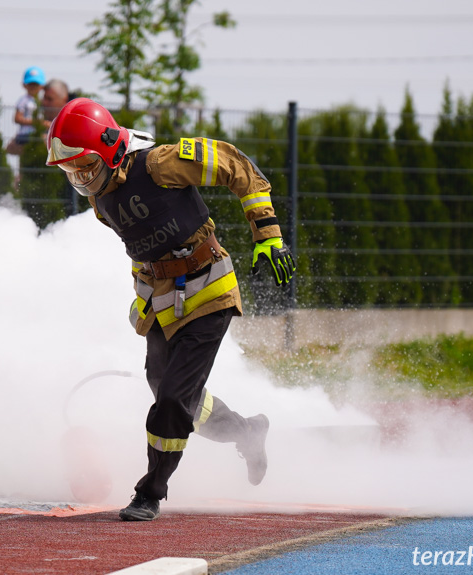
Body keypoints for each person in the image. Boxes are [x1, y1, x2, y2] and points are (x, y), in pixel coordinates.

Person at [46, 98, 295, 521]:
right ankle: (248, 432)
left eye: (85, 166)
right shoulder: (100, 196)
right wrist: (142, 297)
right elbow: (143, 247)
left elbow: (236, 165)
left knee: (173, 401)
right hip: (163, 300)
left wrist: (268, 235)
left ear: (108, 149)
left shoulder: (159, 163)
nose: (80, 178)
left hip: (209, 288)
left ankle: (150, 492)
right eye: (71, 171)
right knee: (169, 390)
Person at [7, 66, 45, 156]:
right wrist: (36, 123)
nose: (33, 87)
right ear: (24, 85)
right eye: (30, 84)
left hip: (37, 133)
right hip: (26, 135)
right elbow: (17, 118)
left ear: (41, 86)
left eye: (36, 84)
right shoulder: (23, 100)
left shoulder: (41, 101)